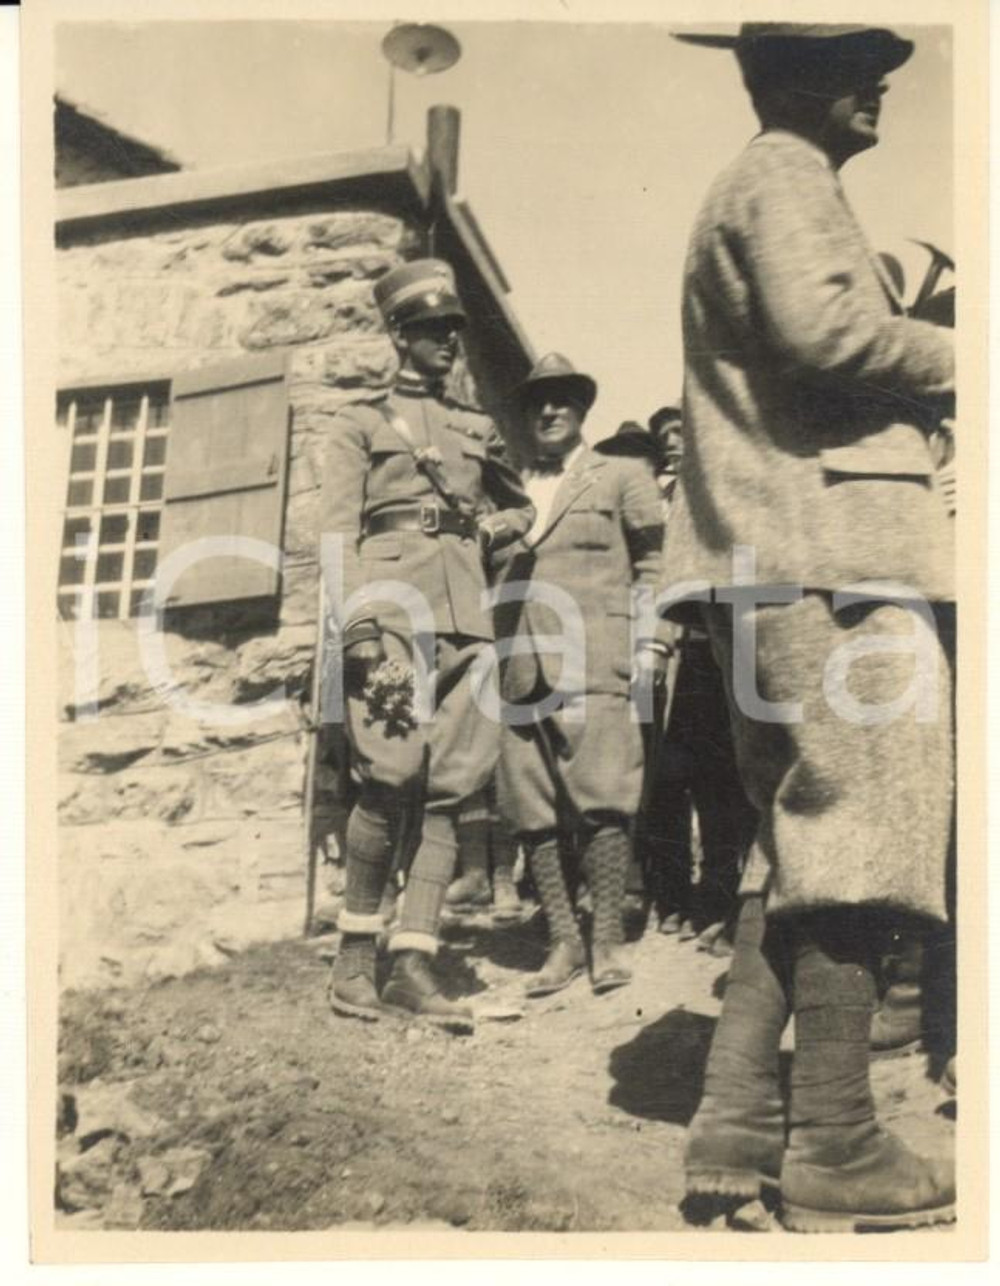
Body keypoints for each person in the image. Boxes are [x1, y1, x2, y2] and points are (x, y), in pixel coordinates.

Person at [666, 25, 956, 1230]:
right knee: (865, 830)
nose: (877, 80)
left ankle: (734, 1119)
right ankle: (835, 1139)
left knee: (800, 838)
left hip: (773, 556)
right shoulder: (785, 174)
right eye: (850, 61)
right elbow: (824, 333)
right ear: (788, 79)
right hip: (829, 555)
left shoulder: (759, 180)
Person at [319, 258, 534, 1027]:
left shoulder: (476, 429)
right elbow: (337, 535)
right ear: (399, 335)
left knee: (453, 785)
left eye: (453, 329)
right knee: (391, 774)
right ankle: (354, 960)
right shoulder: (360, 424)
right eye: (434, 329)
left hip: (467, 622)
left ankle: (413, 960)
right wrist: (357, 624)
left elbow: (521, 511)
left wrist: (496, 529)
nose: (450, 342)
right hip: (391, 616)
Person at [492, 353, 669, 996]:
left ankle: (607, 940)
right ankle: (563, 941)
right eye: (537, 403)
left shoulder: (621, 476)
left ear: (581, 409)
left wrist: (654, 641)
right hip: (518, 662)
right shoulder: (508, 489)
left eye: (561, 400)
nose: (548, 412)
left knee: (603, 797)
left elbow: (656, 563)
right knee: (531, 806)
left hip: (597, 653)